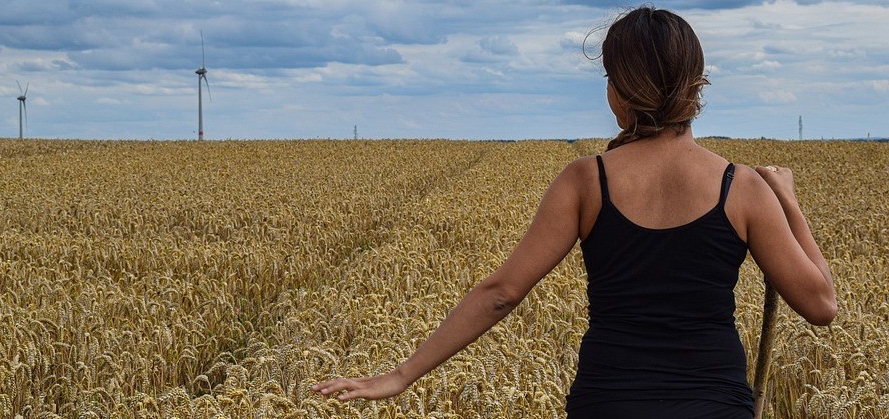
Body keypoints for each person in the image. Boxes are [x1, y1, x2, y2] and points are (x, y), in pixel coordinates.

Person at [312, 6, 836, 418]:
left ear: (620, 90)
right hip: (715, 406)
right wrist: (787, 203)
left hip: (608, 403)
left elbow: (500, 294)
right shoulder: (740, 187)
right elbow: (821, 305)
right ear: (695, 84)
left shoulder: (588, 180)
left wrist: (401, 375)